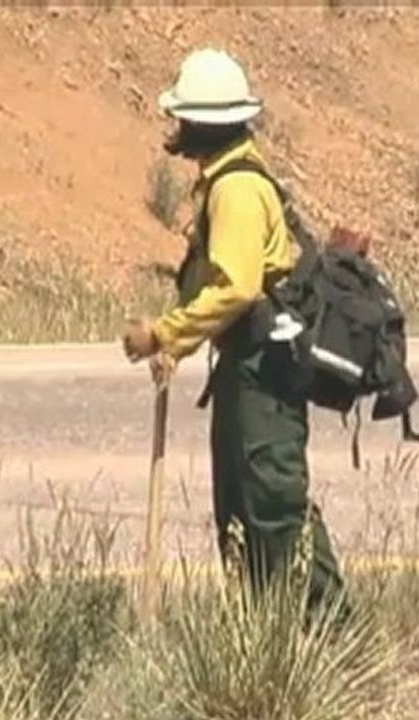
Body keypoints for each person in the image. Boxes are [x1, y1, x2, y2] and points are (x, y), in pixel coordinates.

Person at [122, 48, 349, 619]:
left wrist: (163, 334)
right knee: (240, 511)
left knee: (272, 505)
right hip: (243, 365)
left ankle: (332, 633)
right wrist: (182, 343)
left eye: (183, 120)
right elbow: (216, 284)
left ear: (201, 124)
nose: (177, 131)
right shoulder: (222, 181)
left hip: (264, 370)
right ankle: (262, 632)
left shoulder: (237, 190)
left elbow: (237, 287)